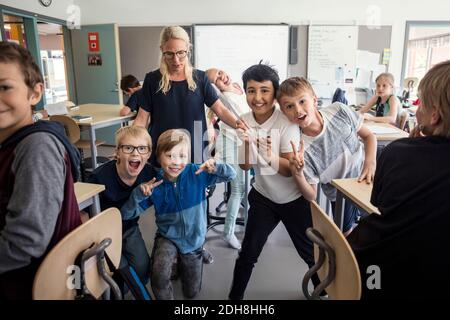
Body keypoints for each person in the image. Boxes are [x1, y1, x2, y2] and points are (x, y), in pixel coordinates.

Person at [347, 60, 450, 299]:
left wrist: (410, 144)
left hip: (383, 271)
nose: (416, 109)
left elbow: (378, 201)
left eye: (421, 102)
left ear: (434, 116)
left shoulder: (397, 152)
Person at [228, 64, 319, 300]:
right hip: (264, 198)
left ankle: (326, 291)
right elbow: (246, 166)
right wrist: (248, 143)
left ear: (275, 94)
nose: (257, 98)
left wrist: (268, 157)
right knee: (248, 253)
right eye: (251, 90)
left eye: (264, 90)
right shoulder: (244, 120)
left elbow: (290, 170)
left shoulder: (286, 122)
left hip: (294, 200)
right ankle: (233, 300)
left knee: (310, 254)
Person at [0, 42, 81, 299]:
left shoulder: (37, 148)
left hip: (29, 284)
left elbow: (24, 244)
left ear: (35, 94)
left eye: (4, 87)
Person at [121, 129, 236, 299]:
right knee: (158, 275)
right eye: (169, 155)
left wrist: (216, 167)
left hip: (194, 238)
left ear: (188, 157)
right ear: (159, 157)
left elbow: (231, 174)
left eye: (182, 156)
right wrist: (137, 195)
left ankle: (184, 262)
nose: (176, 162)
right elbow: (126, 214)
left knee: (191, 291)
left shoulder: (197, 173)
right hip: (167, 237)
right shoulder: (154, 185)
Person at [277, 77, 377, 235]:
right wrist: (298, 174)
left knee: (378, 226)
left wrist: (370, 163)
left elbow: (369, 136)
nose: (297, 109)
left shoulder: (339, 110)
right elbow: (310, 195)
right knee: (346, 238)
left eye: (302, 101)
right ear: (284, 113)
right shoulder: (301, 149)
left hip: (366, 179)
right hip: (340, 197)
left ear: (314, 100)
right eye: (289, 106)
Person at [132, 26, 244, 166]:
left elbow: (221, 110)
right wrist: (130, 144)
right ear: (162, 50)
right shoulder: (152, 80)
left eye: (181, 53)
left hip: (195, 151)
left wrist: (241, 126)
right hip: (163, 151)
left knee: (194, 186)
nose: (176, 60)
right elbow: (142, 119)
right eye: (169, 54)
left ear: (188, 49)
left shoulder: (200, 78)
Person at [87, 126, 156, 287]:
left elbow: (171, 177)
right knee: (118, 273)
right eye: (128, 148)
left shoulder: (149, 173)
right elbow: (83, 212)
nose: (135, 153)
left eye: (142, 148)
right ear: (117, 152)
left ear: (148, 154)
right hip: (101, 233)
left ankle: (132, 288)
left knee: (142, 268)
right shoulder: (99, 177)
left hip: (128, 227)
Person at [206, 68, 250, 249]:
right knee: (238, 189)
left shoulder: (239, 87)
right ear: (213, 86)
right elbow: (211, 116)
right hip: (230, 142)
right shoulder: (220, 99)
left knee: (245, 186)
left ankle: (244, 218)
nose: (222, 77)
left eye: (221, 72)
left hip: (246, 141)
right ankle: (228, 233)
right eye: (216, 79)